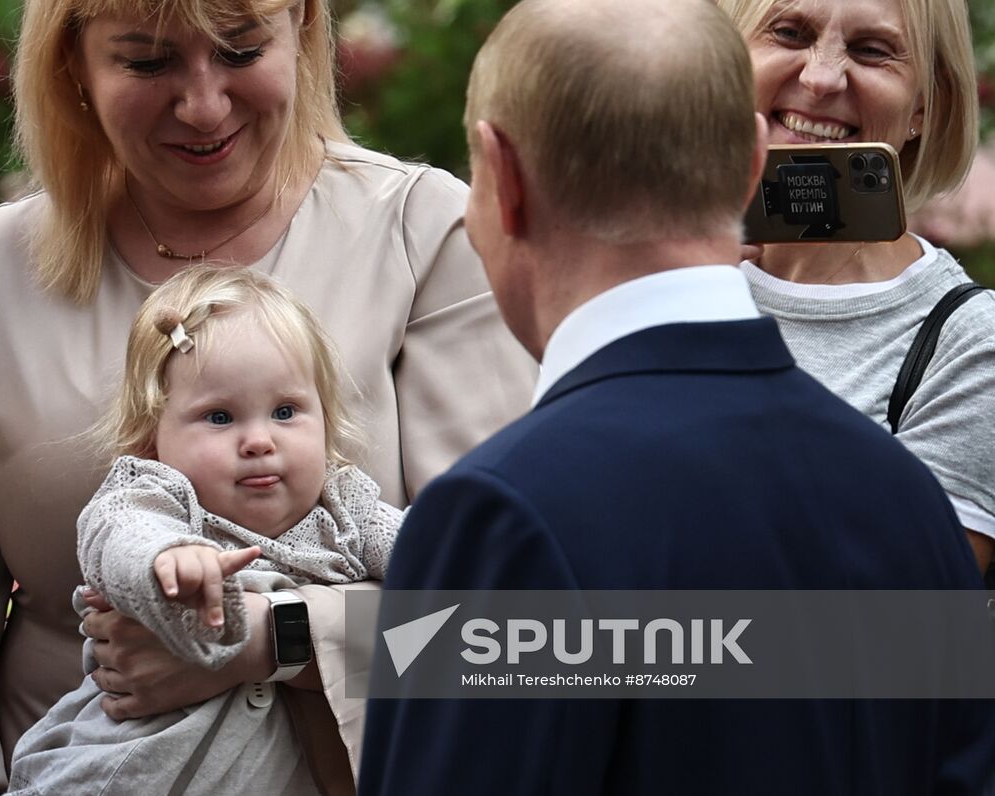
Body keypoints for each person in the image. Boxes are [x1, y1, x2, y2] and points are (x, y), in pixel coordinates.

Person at [0, 0, 536, 791]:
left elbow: (508, 630)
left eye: (240, 51)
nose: (203, 105)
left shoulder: (423, 232)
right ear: (72, 62)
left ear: (303, 26)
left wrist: (269, 642)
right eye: (146, 61)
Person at [358, 0, 995, 793]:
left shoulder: (499, 518)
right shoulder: (904, 501)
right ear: (752, 164)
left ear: (502, 178)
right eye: (789, 34)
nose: (824, 74)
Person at [6, 265, 402, 795]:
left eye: (285, 411)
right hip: (129, 776)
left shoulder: (348, 508)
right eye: (220, 417)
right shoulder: (157, 497)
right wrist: (166, 559)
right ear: (152, 437)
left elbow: (440, 560)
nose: (259, 440)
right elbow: (115, 533)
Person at [720, 0, 995, 572]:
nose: (821, 78)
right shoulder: (648, 279)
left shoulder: (967, 344)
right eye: (789, 33)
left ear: (925, 103)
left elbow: (886, 625)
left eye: (872, 51)